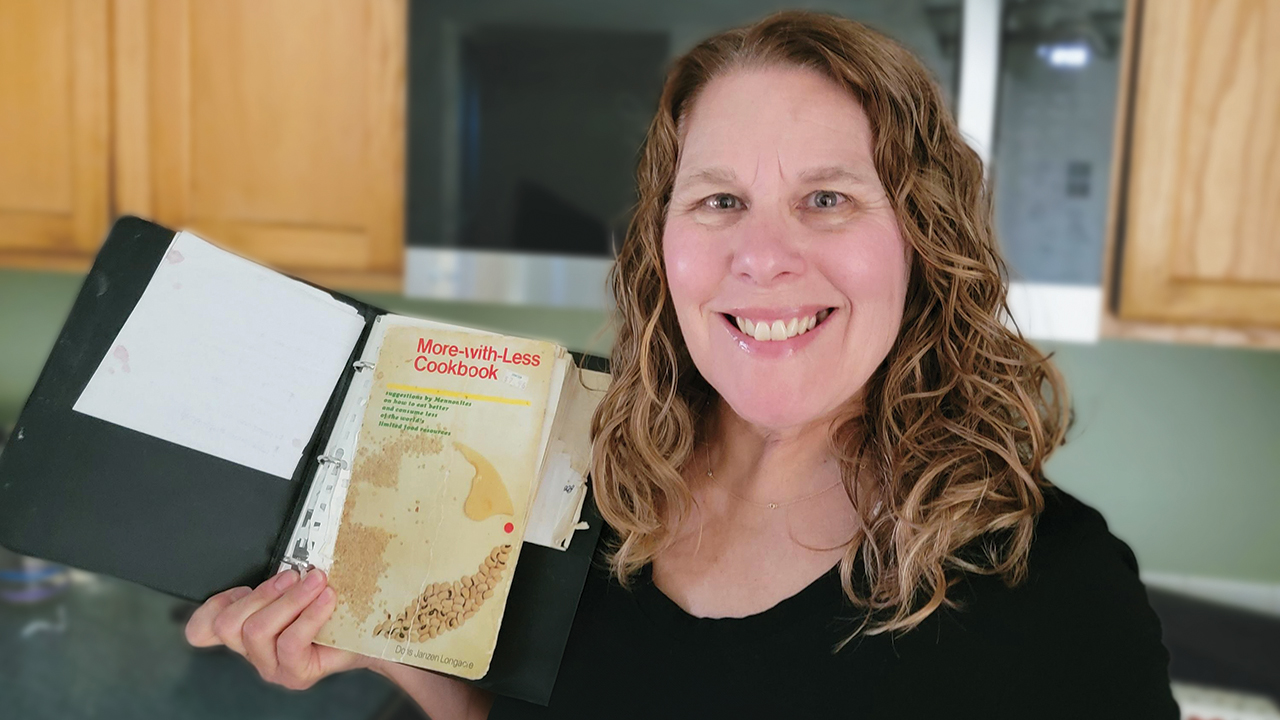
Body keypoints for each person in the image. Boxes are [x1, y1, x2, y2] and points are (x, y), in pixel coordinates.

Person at [184, 11, 1180, 719]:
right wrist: (392, 658)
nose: (762, 255)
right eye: (717, 200)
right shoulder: (583, 486)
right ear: (661, 244)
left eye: (826, 198)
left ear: (921, 239)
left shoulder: (1048, 589)